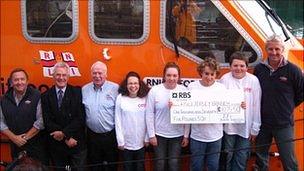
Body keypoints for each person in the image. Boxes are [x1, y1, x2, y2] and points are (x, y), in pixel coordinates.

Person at [254, 35, 303, 171]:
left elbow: (301, 94)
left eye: (277, 49)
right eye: (270, 49)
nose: (274, 52)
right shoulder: (259, 69)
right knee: (260, 159)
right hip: (263, 122)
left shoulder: (293, 71)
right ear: (266, 49)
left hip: (284, 124)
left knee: (289, 161)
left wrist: (287, 107)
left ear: (282, 49)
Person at [219, 52, 261, 171]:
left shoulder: (253, 80)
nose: (239, 68)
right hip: (228, 128)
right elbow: (218, 102)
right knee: (227, 156)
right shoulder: (224, 79)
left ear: (247, 67)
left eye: (242, 66)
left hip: (246, 128)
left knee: (241, 158)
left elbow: (256, 104)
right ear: (230, 66)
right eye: (235, 65)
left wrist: (255, 128)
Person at [41, 62, 86, 171]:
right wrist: (65, 137)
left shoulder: (77, 93)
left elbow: (80, 118)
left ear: (68, 76)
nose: (61, 78)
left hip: (75, 143)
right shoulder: (45, 96)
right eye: (58, 75)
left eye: (64, 75)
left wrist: (65, 134)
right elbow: (47, 120)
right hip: (57, 146)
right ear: (53, 76)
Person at [146, 62, 189, 171]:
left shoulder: (183, 90)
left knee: (174, 163)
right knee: (160, 163)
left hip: (177, 134)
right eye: (169, 75)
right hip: (159, 134)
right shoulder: (155, 90)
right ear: (164, 76)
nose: (171, 78)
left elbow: (188, 114)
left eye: (175, 75)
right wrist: (151, 135)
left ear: (178, 77)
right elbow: (149, 113)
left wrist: (186, 135)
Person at [0, 68, 48, 165]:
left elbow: (41, 120)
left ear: (27, 81)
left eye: (22, 79)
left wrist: (25, 137)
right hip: (15, 146)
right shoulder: (4, 99)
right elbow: (0, 122)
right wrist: (14, 138)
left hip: (36, 146)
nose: (19, 82)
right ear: (11, 82)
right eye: (16, 80)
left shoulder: (37, 95)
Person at [187, 57, 224, 171]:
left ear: (216, 74)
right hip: (197, 136)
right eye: (206, 73)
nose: (209, 77)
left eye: (212, 74)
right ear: (201, 73)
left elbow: (227, 107)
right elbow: (185, 108)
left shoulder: (221, 88)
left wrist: (239, 106)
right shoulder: (192, 87)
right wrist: (174, 106)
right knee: (196, 166)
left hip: (216, 136)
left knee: (213, 166)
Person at [82, 61, 119, 171]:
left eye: (100, 73)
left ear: (106, 74)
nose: (97, 76)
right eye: (94, 73)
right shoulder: (84, 89)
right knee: (94, 165)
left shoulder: (115, 89)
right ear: (91, 74)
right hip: (92, 135)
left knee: (111, 165)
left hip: (110, 136)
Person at [115, 71, 150, 171]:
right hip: (126, 144)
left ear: (139, 84)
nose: (133, 86)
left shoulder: (145, 98)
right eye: (130, 83)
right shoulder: (120, 98)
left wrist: (147, 138)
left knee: (140, 167)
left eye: (135, 83)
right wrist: (120, 140)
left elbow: (149, 119)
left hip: (141, 143)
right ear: (126, 85)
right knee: (127, 168)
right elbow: (117, 120)